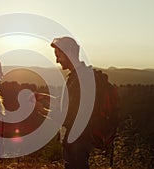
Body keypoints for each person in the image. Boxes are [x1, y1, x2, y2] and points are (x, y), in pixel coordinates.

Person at [51, 36, 95, 169]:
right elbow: (67, 105)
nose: (57, 60)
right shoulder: (78, 76)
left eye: (59, 56)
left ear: (69, 52)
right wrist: (44, 98)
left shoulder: (80, 79)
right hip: (76, 142)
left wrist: (40, 110)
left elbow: (68, 117)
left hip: (77, 143)